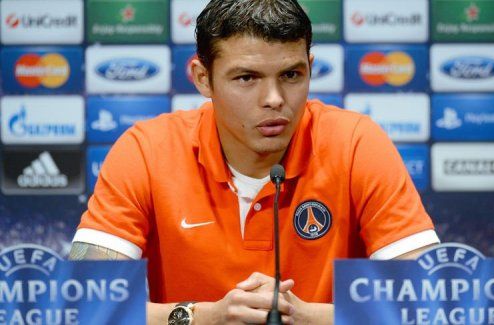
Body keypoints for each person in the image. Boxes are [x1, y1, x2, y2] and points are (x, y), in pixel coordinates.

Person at [70, 0, 439, 323]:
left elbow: (434, 299)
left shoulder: (356, 142)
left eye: (291, 75)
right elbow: (84, 303)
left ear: (309, 67)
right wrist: (203, 318)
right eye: (247, 77)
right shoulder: (145, 150)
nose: (275, 99)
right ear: (203, 78)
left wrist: (308, 318)